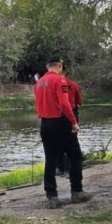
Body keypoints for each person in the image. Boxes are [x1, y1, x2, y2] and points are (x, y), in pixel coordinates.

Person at [34, 55, 91, 209]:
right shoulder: (60, 80)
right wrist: (74, 122)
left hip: (45, 124)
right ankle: (77, 191)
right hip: (61, 122)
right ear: (59, 66)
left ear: (47, 67)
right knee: (75, 156)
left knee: (50, 159)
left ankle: (51, 196)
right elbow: (65, 103)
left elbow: (38, 104)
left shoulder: (39, 83)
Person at [56, 69, 82, 175]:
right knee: (72, 142)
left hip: (57, 116)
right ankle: (71, 168)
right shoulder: (73, 85)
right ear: (66, 72)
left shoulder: (53, 83)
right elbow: (79, 102)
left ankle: (60, 167)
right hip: (72, 114)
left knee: (59, 142)